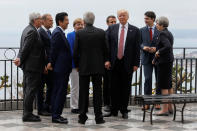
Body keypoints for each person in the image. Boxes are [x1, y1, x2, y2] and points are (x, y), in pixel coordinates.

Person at [73, 12, 110, 125]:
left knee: (83, 92)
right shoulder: (101, 32)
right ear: (93, 21)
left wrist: (77, 65)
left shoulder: (79, 33)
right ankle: (98, 117)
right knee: (98, 92)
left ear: (84, 22)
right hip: (98, 66)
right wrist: (105, 61)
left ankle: (82, 117)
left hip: (84, 66)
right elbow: (106, 50)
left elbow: (75, 52)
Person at [104, 9, 140, 119]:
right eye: (120, 16)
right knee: (113, 87)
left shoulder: (135, 30)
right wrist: (106, 60)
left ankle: (124, 110)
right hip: (114, 63)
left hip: (127, 63)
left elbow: (137, 48)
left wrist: (136, 64)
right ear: (118, 17)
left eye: (124, 15)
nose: (122, 17)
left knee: (126, 87)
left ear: (128, 17)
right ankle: (113, 110)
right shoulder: (112, 28)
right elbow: (107, 46)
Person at [14, 12, 45, 122]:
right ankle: (27, 114)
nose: (42, 21)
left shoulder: (27, 29)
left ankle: (27, 113)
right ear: (35, 20)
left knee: (28, 90)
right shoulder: (32, 31)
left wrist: (19, 58)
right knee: (30, 90)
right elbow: (25, 47)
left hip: (29, 66)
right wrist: (20, 58)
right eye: (40, 19)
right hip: (33, 66)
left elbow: (22, 47)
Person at [47, 12, 72, 124]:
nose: (68, 22)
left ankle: (56, 114)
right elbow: (54, 50)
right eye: (66, 20)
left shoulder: (60, 32)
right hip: (60, 68)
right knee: (59, 92)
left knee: (59, 91)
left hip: (62, 68)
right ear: (60, 21)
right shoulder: (57, 33)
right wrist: (51, 63)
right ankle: (56, 116)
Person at [152, 16, 174, 116]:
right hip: (169, 61)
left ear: (161, 25)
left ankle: (164, 109)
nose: (156, 25)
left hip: (164, 63)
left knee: (164, 86)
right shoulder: (169, 33)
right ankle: (170, 107)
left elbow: (167, 46)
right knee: (169, 84)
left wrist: (158, 51)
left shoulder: (162, 34)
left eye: (157, 24)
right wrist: (155, 59)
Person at [140, 11, 161, 110]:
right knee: (147, 79)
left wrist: (156, 49)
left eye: (147, 18)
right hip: (146, 58)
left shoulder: (159, 30)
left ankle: (157, 102)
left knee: (158, 80)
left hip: (158, 58)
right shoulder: (141, 30)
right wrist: (144, 47)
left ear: (153, 19)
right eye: (144, 18)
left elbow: (163, 44)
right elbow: (139, 43)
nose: (145, 20)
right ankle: (147, 102)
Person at [37, 14, 53, 116]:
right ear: (43, 21)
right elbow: (40, 51)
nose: (52, 22)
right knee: (40, 88)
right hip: (43, 66)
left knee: (50, 86)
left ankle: (47, 106)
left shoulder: (49, 32)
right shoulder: (40, 32)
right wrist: (43, 65)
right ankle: (40, 109)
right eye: (50, 20)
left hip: (49, 65)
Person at [67, 18, 84, 114]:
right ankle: (74, 106)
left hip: (84, 66)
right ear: (74, 26)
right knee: (75, 87)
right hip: (74, 66)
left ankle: (81, 105)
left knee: (82, 87)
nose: (80, 26)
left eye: (81, 24)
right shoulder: (70, 35)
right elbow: (71, 51)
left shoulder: (84, 35)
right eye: (78, 24)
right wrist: (75, 65)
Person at [103, 15, 117, 112]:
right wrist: (106, 60)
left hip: (117, 63)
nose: (113, 23)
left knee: (116, 84)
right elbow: (103, 49)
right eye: (111, 22)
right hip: (107, 63)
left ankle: (116, 103)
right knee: (107, 84)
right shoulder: (104, 33)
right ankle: (107, 104)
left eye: (114, 22)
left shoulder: (119, 33)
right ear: (107, 23)